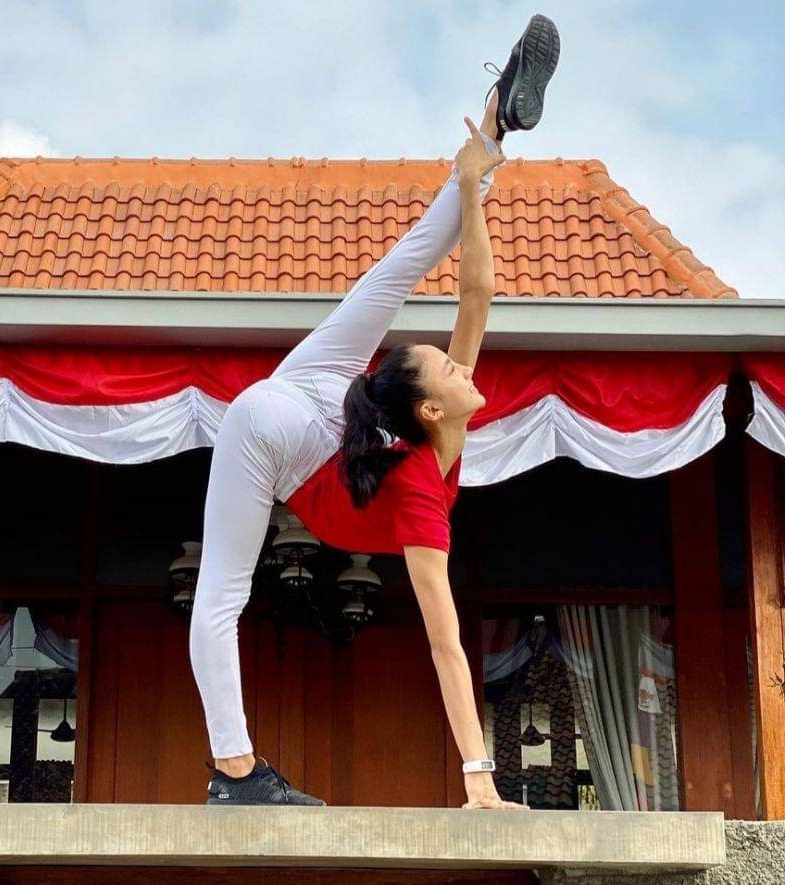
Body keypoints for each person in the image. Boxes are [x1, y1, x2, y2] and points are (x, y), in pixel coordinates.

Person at [189, 14, 560, 807]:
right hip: (286, 422)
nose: (463, 363)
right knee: (219, 597)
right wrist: (479, 779)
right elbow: (444, 642)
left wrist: (476, 178)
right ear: (430, 406)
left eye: (449, 361)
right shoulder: (429, 470)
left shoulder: (432, 436)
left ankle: (493, 127)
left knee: (401, 265)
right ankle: (235, 772)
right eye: (449, 363)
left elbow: (476, 293)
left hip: (300, 400)